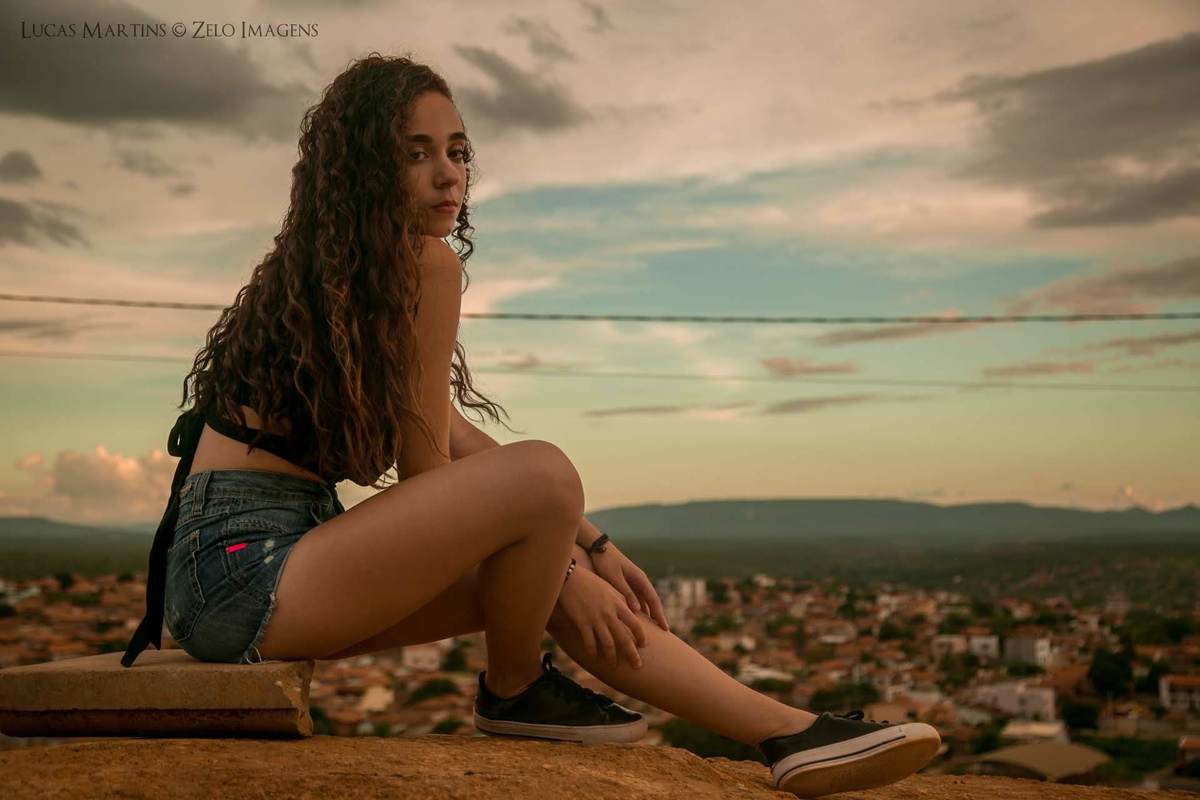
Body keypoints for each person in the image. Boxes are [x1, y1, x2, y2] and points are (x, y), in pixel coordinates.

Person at [121, 52, 940, 797]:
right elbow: (427, 468)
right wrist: (568, 567)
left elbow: (444, 428)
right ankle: (513, 689)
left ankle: (789, 736)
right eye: (415, 153)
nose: (448, 175)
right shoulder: (419, 265)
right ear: (363, 166)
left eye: (458, 151)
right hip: (250, 570)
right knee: (545, 472)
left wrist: (589, 544)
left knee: (537, 559)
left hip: (236, 575)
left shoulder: (339, 275)